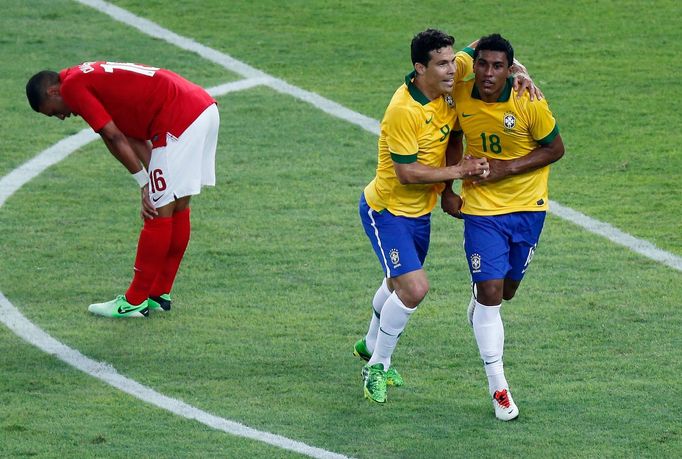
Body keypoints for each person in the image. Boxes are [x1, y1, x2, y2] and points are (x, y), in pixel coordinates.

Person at [26, 61, 219, 318]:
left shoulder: (72, 87)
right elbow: (130, 135)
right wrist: (152, 178)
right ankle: (158, 295)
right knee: (177, 204)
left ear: (53, 92)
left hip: (179, 118)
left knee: (157, 211)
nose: (62, 117)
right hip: (201, 107)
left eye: (53, 112)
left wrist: (144, 185)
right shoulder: (86, 78)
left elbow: (113, 137)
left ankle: (134, 301)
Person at [444, 33, 565, 420]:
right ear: (474, 64)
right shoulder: (461, 94)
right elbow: (456, 135)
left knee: (506, 291)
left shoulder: (528, 99)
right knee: (492, 292)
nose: (488, 73)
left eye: (498, 66)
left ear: (510, 69)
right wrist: (448, 187)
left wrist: (506, 169)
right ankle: (499, 390)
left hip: (528, 209)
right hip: (480, 208)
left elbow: (555, 148)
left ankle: (482, 304)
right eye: (482, 64)